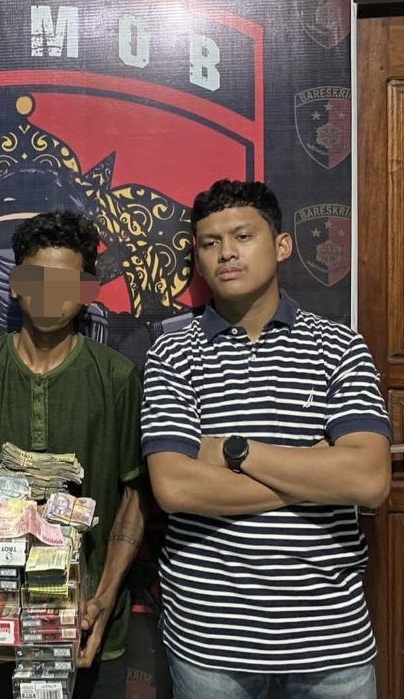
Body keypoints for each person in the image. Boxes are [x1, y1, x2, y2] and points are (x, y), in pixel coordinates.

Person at [141, 179, 391, 699]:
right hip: (210, 638)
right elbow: (175, 488)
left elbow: (368, 480)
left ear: (281, 245)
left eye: (242, 236)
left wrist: (235, 451)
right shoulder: (172, 354)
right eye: (210, 243)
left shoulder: (339, 346)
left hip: (330, 635)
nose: (226, 253)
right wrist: (316, 472)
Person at [0, 211, 149, 699]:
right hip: (3, 629)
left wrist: (103, 600)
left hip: (89, 626)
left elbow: (134, 496)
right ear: (16, 285)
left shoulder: (118, 378)